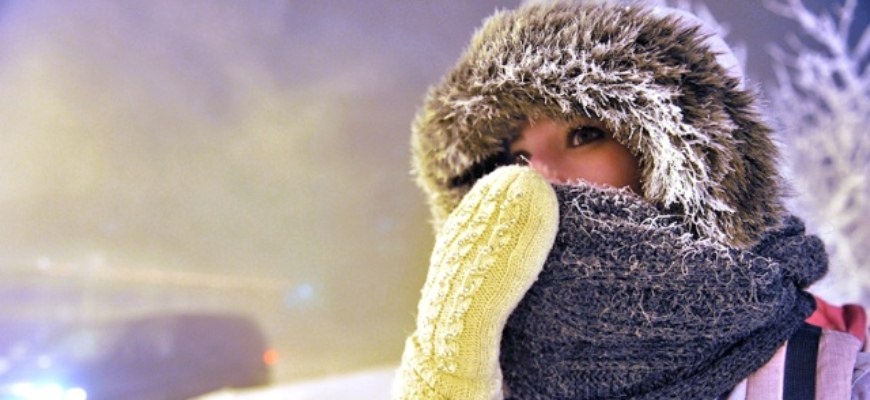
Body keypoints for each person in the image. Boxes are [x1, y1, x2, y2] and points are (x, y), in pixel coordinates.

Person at [392, 1, 869, 399]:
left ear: (685, 157)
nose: (537, 178)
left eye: (585, 134)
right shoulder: (478, 372)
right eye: (517, 158)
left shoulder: (834, 373)